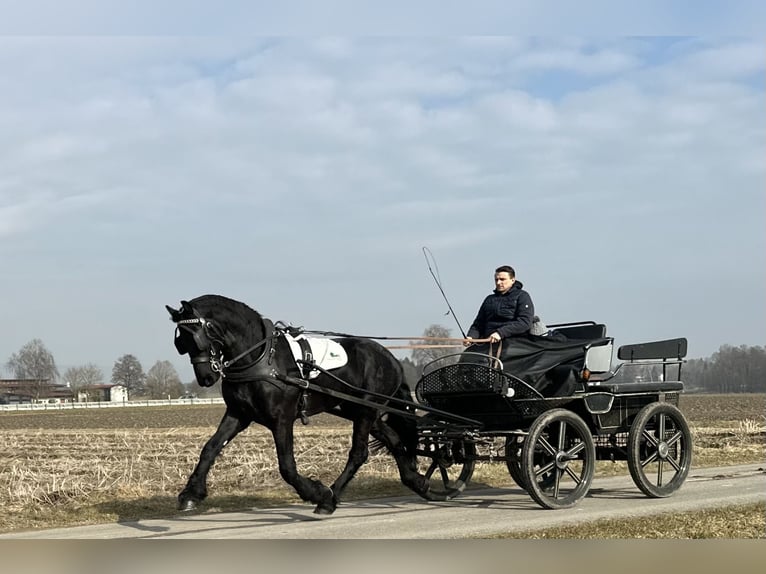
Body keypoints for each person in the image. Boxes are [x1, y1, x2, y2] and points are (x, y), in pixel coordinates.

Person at [463, 265, 535, 346]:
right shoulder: (489, 299)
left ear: (512, 280)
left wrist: (500, 333)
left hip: (514, 342)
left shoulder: (522, 296)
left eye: (502, 279)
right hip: (487, 343)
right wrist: (471, 337)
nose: (498, 282)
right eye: (496, 280)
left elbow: (524, 322)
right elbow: (478, 324)